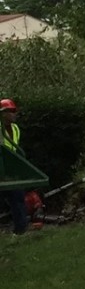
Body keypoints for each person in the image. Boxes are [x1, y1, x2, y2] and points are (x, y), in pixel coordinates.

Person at [2, 99, 29, 236]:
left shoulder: (15, 128)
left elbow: (15, 149)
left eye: (14, 111)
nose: (14, 114)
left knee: (18, 196)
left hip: (10, 169)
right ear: (3, 114)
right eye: (11, 111)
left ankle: (21, 230)